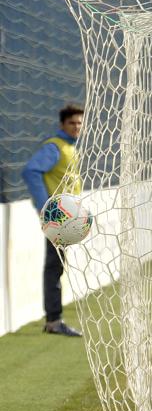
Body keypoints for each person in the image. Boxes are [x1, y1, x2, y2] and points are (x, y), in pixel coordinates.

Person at [21, 104, 85, 337]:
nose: (76, 127)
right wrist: (44, 207)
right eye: (72, 123)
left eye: (79, 123)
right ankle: (54, 320)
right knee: (53, 266)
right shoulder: (55, 147)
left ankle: (54, 319)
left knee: (57, 266)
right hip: (57, 216)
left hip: (69, 217)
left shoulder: (71, 148)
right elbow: (30, 171)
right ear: (62, 125)